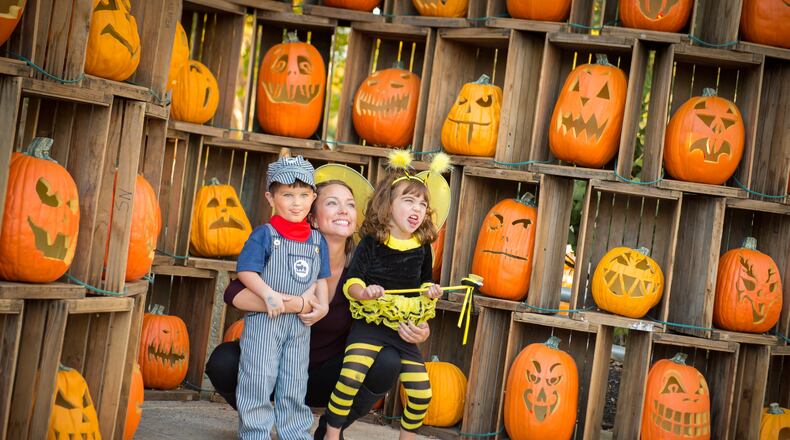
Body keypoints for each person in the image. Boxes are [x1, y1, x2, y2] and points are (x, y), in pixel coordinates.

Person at [205, 177, 432, 439]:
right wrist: (294, 303)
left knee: (386, 361)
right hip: (271, 368)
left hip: (327, 378)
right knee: (223, 361)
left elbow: (394, 306)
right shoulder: (283, 258)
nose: (344, 210)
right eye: (332, 203)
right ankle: (260, 423)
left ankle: (328, 432)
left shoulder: (363, 273)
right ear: (312, 217)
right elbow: (232, 292)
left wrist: (420, 330)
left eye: (350, 204)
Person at [323, 158, 443, 440]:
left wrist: (430, 292)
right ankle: (331, 434)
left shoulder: (423, 248)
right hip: (371, 326)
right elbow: (352, 281)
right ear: (388, 205)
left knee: (422, 393)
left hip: (403, 331)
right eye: (409, 201)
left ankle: (407, 437)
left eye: (422, 205)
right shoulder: (373, 242)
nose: (417, 209)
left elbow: (424, 282)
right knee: (350, 377)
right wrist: (364, 292)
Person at [235, 156, 330, 440]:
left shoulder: (317, 240)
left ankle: (295, 433)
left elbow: (321, 278)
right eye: (287, 195)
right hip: (266, 320)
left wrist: (322, 304)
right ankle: (255, 433)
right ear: (271, 197)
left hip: (300, 325)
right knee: (258, 378)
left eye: (303, 195)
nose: (296, 202)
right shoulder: (265, 235)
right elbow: (245, 271)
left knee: (294, 381)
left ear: (313, 197)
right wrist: (267, 293)